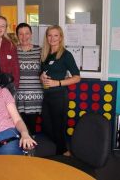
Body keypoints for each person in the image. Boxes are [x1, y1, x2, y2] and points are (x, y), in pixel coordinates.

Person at [40, 25, 80, 155]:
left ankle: (62, 152)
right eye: (49, 35)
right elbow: (43, 71)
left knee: (59, 126)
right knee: (47, 125)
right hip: (47, 95)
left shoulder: (66, 55)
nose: (52, 38)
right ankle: (60, 147)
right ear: (46, 37)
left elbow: (77, 77)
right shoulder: (45, 54)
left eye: (55, 35)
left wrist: (57, 83)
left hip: (59, 95)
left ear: (61, 37)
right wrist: (41, 76)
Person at [15, 23, 43, 135]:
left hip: (35, 95)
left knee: (31, 126)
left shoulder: (40, 51)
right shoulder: (13, 51)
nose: (24, 36)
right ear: (17, 36)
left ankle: (31, 148)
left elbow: (46, 69)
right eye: (20, 34)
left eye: (27, 33)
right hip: (18, 95)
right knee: (19, 125)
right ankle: (21, 149)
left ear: (31, 34)